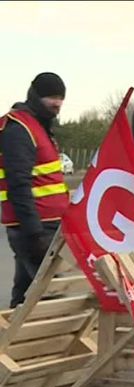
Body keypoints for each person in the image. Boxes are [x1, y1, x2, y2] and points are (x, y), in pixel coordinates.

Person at [0, 72, 70, 308]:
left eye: (61, 98)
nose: (57, 103)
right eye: (52, 97)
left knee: (25, 293)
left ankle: (10, 342)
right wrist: (34, 233)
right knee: (52, 295)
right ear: (36, 96)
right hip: (33, 227)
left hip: (44, 225)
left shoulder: (38, 127)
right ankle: (50, 343)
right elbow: (18, 184)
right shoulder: (19, 129)